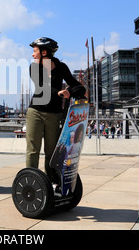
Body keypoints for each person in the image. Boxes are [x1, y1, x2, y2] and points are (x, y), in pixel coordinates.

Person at [25, 37, 86, 183]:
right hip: (36, 112)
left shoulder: (61, 67)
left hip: (54, 114)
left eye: (35, 51)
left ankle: (51, 181)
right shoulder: (34, 67)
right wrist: (59, 92)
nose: (32, 54)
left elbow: (78, 87)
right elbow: (41, 87)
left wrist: (70, 92)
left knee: (51, 151)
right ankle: (31, 180)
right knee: (33, 150)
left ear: (44, 52)